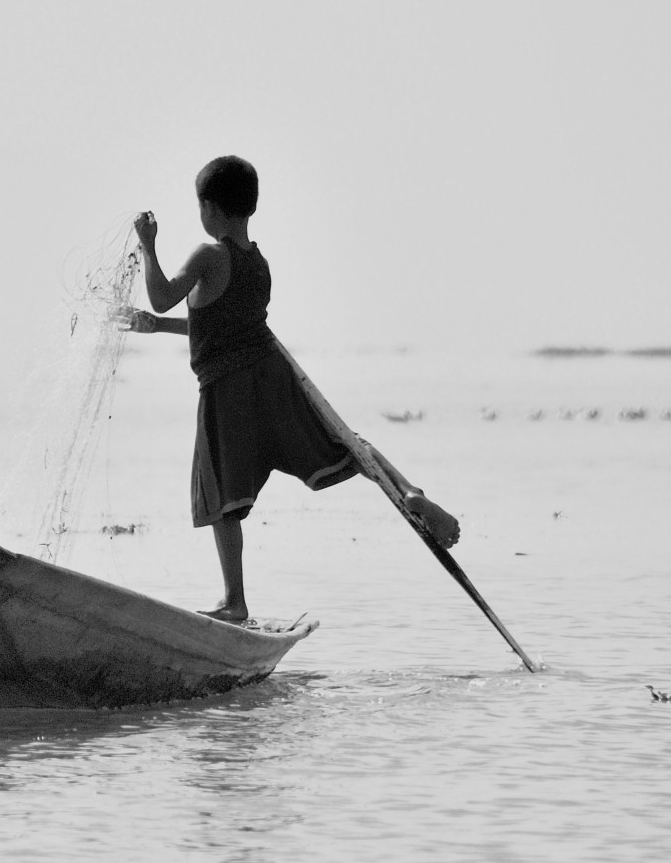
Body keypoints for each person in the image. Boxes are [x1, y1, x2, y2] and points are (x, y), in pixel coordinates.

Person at [122, 155, 460, 623]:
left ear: (211, 209)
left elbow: (161, 293)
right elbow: (221, 327)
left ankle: (234, 601)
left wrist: (148, 246)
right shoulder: (257, 264)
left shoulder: (208, 255)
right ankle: (409, 490)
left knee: (222, 497)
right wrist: (157, 329)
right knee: (345, 444)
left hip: (227, 393)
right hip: (271, 379)